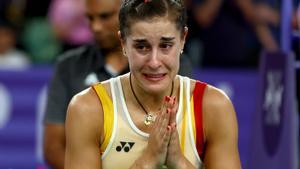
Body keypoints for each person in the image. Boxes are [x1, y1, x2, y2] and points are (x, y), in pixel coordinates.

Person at [64, 0, 241, 168]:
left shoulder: (213, 106)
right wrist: (147, 161)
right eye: (142, 47)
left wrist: (179, 162)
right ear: (123, 43)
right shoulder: (88, 109)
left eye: (165, 45)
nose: (154, 62)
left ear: (183, 39)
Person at [43, 0, 193, 168]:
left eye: (105, 16)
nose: (96, 27)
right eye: (90, 18)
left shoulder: (172, 67)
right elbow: (53, 147)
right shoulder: (69, 68)